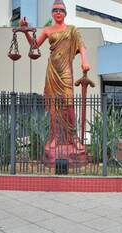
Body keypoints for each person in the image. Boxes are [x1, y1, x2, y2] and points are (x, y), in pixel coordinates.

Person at [20, 0, 90, 150]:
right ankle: (54, 137)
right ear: (52, 13)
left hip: (65, 71)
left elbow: (82, 46)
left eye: (61, 10)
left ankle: (74, 137)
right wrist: (25, 31)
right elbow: (34, 46)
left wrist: (84, 61)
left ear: (65, 13)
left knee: (69, 104)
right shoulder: (47, 30)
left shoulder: (72, 30)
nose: (58, 12)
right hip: (52, 70)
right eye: (55, 10)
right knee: (53, 105)